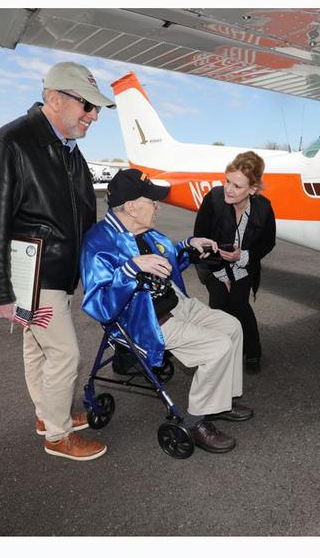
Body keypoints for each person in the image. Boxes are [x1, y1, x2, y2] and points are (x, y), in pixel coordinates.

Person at [0, 61, 114, 462]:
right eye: (87, 105)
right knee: (65, 353)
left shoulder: (66, 148)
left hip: (57, 274)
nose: (94, 115)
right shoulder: (9, 143)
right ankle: (58, 435)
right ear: (53, 98)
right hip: (33, 275)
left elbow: (81, 210)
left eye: (97, 108)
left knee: (37, 349)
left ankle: (44, 415)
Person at [81, 169, 253, 454]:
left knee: (232, 326)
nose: (158, 206)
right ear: (133, 207)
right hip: (143, 321)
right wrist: (130, 269)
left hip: (175, 304)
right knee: (218, 346)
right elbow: (99, 306)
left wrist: (188, 245)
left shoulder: (141, 230)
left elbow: (164, 261)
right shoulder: (98, 243)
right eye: (152, 201)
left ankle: (221, 402)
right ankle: (198, 421)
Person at [193, 151, 276, 374]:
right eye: (227, 181)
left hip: (244, 266)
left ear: (252, 189)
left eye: (237, 186)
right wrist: (222, 275)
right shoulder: (213, 199)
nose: (229, 189)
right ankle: (219, 354)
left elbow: (268, 243)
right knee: (219, 303)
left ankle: (253, 351)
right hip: (212, 264)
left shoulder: (264, 208)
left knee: (239, 304)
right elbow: (199, 239)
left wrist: (243, 256)